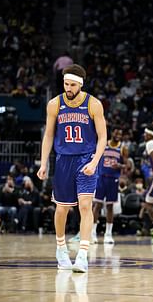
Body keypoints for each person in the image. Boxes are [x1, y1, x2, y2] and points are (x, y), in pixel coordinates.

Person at [37, 64, 107, 272]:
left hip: (86, 158)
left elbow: (103, 137)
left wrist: (94, 162)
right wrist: (44, 163)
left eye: (72, 85)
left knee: (85, 206)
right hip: (63, 159)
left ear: (81, 85)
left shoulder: (93, 104)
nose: (68, 88)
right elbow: (48, 135)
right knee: (62, 208)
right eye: (66, 83)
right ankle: (61, 249)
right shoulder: (54, 104)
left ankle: (83, 255)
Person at [91, 127, 128, 244]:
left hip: (113, 180)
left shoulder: (123, 148)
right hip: (101, 177)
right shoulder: (103, 144)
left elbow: (127, 165)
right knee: (97, 205)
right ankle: (92, 233)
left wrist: (120, 166)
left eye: (120, 134)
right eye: (117, 133)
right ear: (112, 133)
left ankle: (108, 234)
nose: (118, 135)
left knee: (110, 207)